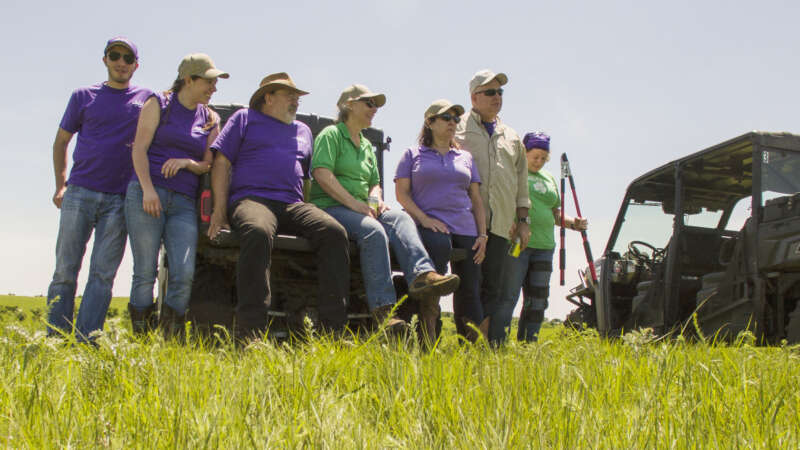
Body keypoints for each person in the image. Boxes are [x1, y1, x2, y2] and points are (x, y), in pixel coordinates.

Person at [207, 72, 351, 339]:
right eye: (290, 96)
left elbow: (306, 177)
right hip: (252, 199)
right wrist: (219, 209)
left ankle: (334, 332)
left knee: (334, 232)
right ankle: (251, 333)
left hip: (292, 204)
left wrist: (310, 209)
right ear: (268, 97)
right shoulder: (244, 119)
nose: (296, 101)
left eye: (298, 97)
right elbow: (222, 163)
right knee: (258, 231)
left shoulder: (303, 131)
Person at [310, 85, 460, 334]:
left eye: (376, 105)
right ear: (349, 105)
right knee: (373, 231)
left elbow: (374, 184)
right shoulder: (331, 135)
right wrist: (356, 205)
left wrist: (374, 200)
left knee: (401, 218)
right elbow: (322, 175)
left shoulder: (367, 146)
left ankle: (423, 276)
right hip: (332, 207)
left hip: (360, 207)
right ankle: (385, 312)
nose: (374, 109)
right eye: (368, 103)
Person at [46, 37, 153, 340]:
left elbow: (178, 103)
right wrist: (60, 185)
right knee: (65, 271)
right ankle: (56, 339)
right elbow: (61, 142)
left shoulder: (147, 99)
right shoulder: (83, 96)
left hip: (120, 200)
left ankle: (86, 340)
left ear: (136, 64)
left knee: (103, 276)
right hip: (79, 193)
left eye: (128, 57)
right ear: (105, 60)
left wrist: (208, 115)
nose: (121, 62)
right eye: (115, 56)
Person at [124, 53, 228, 336]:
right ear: (188, 80)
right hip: (148, 194)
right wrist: (147, 190)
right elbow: (139, 149)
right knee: (145, 272)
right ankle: (141, 339)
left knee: (183, 273)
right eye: (208, 82)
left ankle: (169, 338)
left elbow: (208, 163)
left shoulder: (210, 118)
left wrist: (186, 163)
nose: (213, 88)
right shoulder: (158, 103)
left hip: (183, 202)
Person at [395, 99, 489, 342]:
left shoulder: (465, 157)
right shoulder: (412, 154)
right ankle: (429, 335)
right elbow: (401, 194)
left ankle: (473, 347)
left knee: (471, 288)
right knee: (437, 261)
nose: (452, 123)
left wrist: (482, 235)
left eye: (456, 119)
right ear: (430, 122)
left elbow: (476, 198)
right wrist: (424, 219)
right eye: (446, 118)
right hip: (430, 224)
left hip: (465, 227)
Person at [454, 69, 531, 344]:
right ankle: (467, 342)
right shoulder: (458, 129)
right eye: (490, 92)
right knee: (467, 285)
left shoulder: (511, 135)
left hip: (501, 225)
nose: (497, 96)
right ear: (474, 97)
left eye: (500, 92)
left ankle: (489, 344)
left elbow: (522, 180)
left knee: (494, 287)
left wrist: (524, 220)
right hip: (467, 222)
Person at [494, 132, 588, 343]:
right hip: (517, 244)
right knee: (509, 294)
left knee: (538, 299)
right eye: (535, 156)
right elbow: (502, 202)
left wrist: (574, 223)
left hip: (545, 246)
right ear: (524, 153)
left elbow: (555, 215)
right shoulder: (515, 174)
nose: (539, 161)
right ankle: (497, 343)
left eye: (543, 158)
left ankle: (529, 344)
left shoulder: (550, 179)